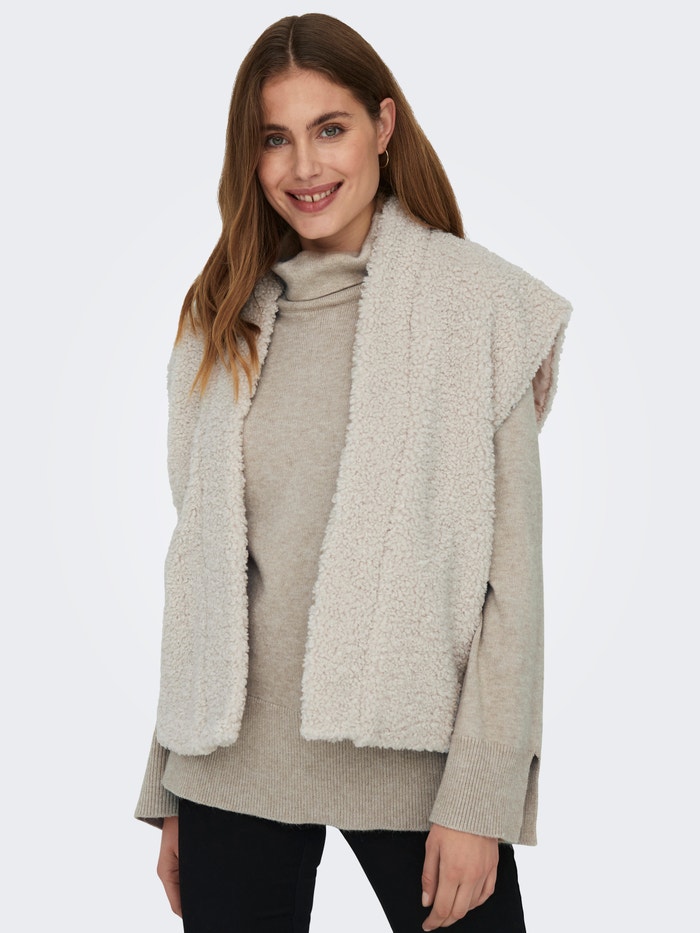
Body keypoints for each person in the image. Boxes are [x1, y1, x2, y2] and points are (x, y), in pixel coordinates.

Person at [135, 13, 571, 932]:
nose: (304, 166)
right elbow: (200, 569)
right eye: (274, 139)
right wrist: (169, 778)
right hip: (227, 768)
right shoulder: (220, 319)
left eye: (329, 128)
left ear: (383, 124)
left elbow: (512, 588)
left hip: (420, 771)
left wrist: (482, 799)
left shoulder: (480, 307)